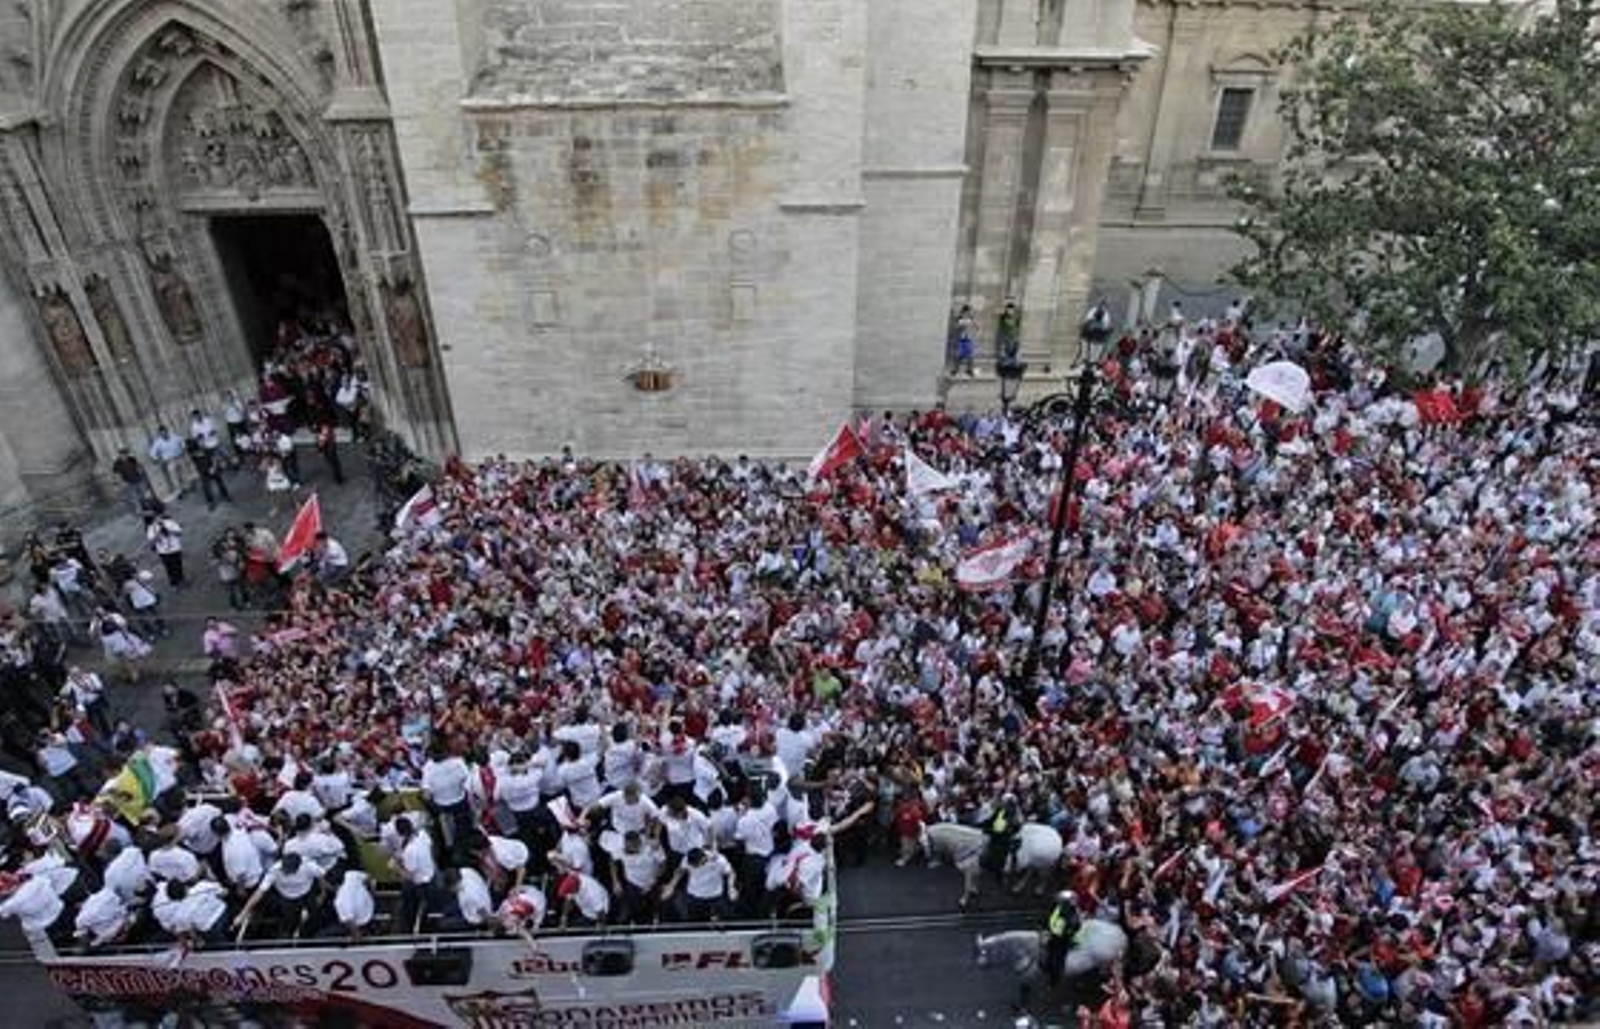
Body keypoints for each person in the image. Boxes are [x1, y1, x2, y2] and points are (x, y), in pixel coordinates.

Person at [1043, 891, 1081, 988]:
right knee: (1049, 951)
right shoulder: (1060, 908)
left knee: (1058, 960)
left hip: (1063, 940)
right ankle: (1048, 966)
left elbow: (1070, 930)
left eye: (1063, 902)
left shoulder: (1074, 917)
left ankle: (1054, 981)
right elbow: (1052, 918)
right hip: (1055, 936)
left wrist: (1055, 931)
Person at [144, 513, 185, 588]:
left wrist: (169, 530)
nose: (157, 519)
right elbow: (151, 542)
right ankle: (174, 583)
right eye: (155, 518)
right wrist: (158, 533)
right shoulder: (151, 528)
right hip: (164, 552)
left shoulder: (170, 522)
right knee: (170, 568)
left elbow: (179, 533)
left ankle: (181, 580)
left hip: (175, 548)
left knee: (178, 564)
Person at [147, 426, 187, 502]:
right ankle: (179, 492)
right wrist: (158, 460)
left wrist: (183, 450)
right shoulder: (158, 442)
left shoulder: (174, 437)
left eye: (164, 432)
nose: (164, 434)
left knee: (182, 473)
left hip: (178, 457)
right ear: (159, 434)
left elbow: (182, 441)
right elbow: (152, 453)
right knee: (174, 477)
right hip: (169, 461)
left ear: (167, 431)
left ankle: (185, 487)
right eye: (161, 433)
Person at [110, 447, 153, 516]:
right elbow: (115, 474)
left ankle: (146, 507)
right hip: (128, 482)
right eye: (122, 454)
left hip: (137, 479)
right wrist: (119, 483)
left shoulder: (132, 459)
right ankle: (139, 510)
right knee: (134, 497)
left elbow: (139, 467)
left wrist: (142, 475)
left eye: (125, 454)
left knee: (142, 494)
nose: (124, 456)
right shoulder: (117, 463)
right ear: (120, 455)